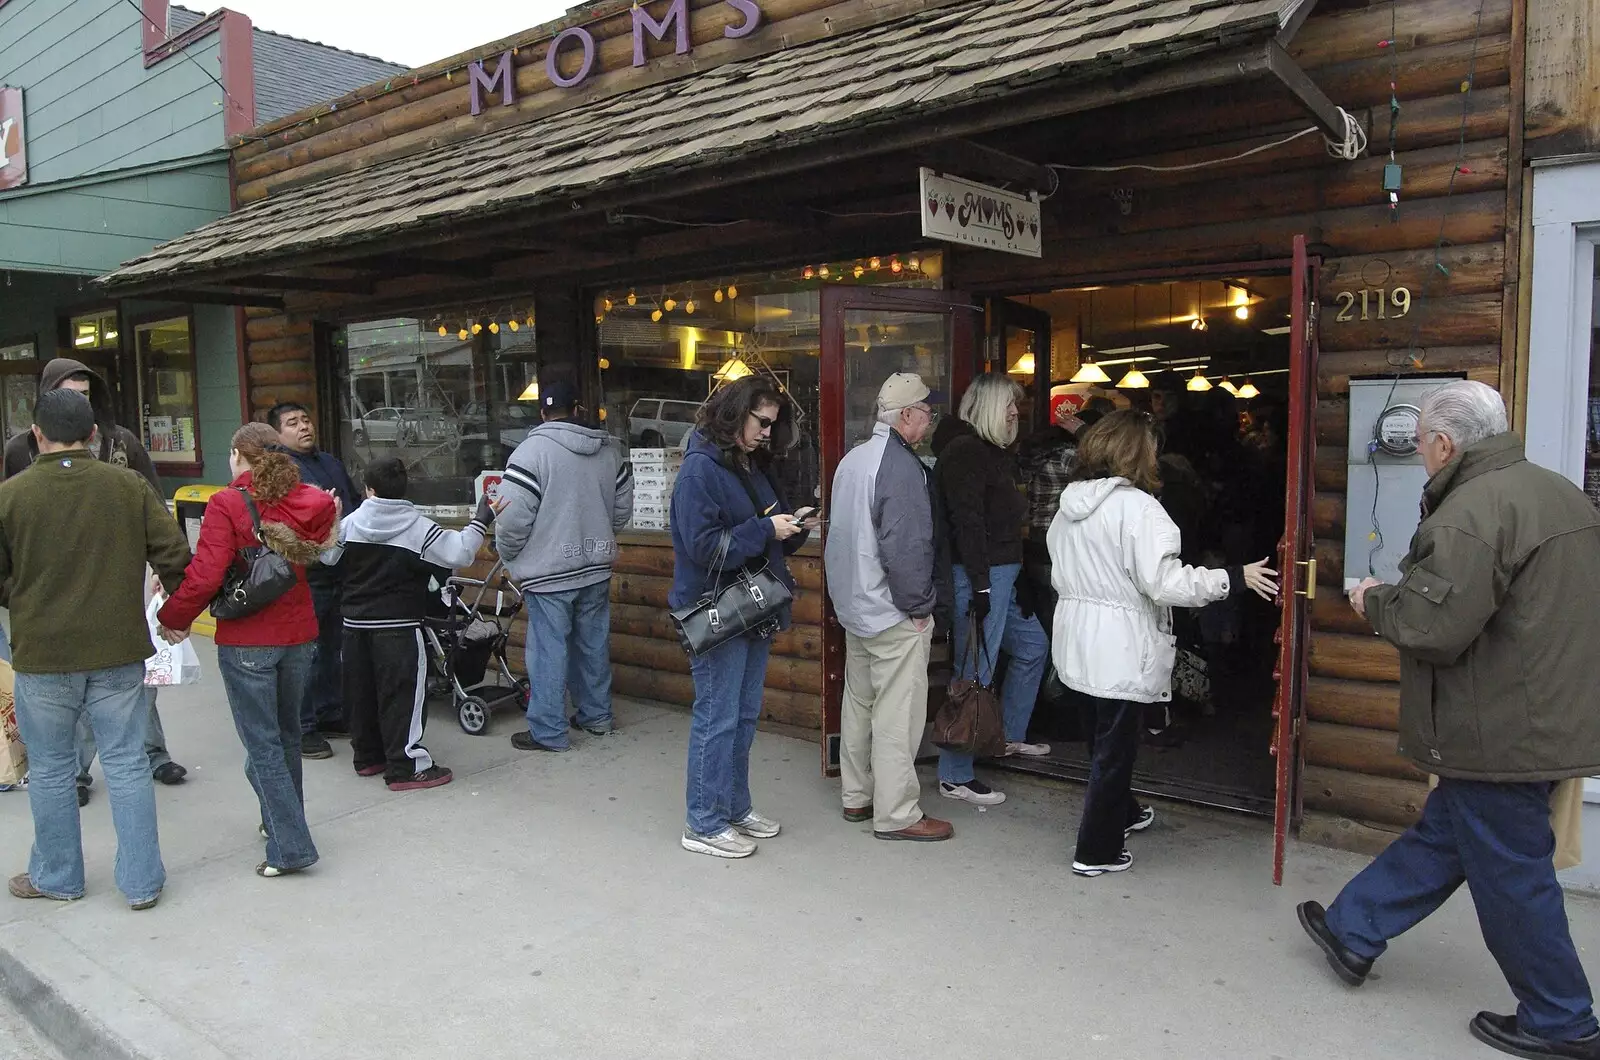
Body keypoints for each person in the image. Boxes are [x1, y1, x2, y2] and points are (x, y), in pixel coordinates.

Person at [1297, 381, 1600, 1060]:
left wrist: (1374, 598)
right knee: (1450, 836)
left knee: (1513, 874)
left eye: (1425, 450)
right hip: (1544, 715)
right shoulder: (1560, 494)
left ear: (1441, 443)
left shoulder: (1470, 513)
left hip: (1502, 727)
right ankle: (1355, 927)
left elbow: (1431, 627)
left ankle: (1562, 1019)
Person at [1047, 410, 1275, 877]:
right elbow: (1166, 584)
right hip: (1120, 643)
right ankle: (1097, 850)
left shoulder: (1071, 503)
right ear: (1138, 453)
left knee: (1100, 738)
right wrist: (1233, 577)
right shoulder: (1141, 509)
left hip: (1077, 636)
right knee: (1115, 749)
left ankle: (1124, 813)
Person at [0, 389, 191, 908]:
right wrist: (175, 618)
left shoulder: (10, 496)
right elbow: (175, 555)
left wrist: (23, 599)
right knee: (128, 762)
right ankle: (141, 883)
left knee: (53, 768)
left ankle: (58, 877)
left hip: (43, 654)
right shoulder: (127, 486)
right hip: (117, 650)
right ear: (92, 436)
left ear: (36, 434)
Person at [157, 423, 338, 878]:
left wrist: (172, 618)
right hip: (299, 633)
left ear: (239, 454)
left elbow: (206, 574)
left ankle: (289, 846)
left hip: (248, 639)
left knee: (263, 746)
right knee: (287, 738)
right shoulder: (310, 499)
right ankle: (278, 821)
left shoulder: (227, 503)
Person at [669, 375, 814, 858]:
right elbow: (705, 548)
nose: (768, 432)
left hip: (752, 606)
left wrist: (795, 527)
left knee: (743, 715)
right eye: (763, 421)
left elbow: (765, 529)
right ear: (735, 413)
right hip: (718, 609)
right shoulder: (699, 472)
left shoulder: (746, 463)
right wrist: (765, 529)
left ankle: (732, 806)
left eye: (773, 424)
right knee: (718, 717)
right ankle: (703, 822)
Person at [824, 373, 952, 843]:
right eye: (927, 413)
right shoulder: (903, 468)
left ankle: (857, 796)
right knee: (898, 713)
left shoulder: (853, 460)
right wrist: (920, 606)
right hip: (893, 610)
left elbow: (840, 537)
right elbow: (908, 548)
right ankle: (897, 813)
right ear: (908, 416)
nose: (931, 421)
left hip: (856, 606)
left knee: (859, 703)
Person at [322, 457, 495, 791]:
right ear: (405, 489)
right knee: (402, 695)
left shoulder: (350, 522)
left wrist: (331, 517)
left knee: (361, 693)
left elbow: (327, 556)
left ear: (368, 489)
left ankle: (368, 757)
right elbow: (459, 554)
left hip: (354, 625)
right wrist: (481, 519)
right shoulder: (418, 527)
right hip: (398, 626)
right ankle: (405, 765)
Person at [931, 372, 1051, 807]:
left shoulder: (991, 453)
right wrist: (981, 588)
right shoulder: (966, 452)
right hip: (979, 577)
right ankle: (955, 775)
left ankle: (1006, 737)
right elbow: (969, 525)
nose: (1015, 412)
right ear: (985, 408)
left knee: (1033, 648)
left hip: (1002, 577)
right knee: (973, 673)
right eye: (1007, 405)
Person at [496, 379, 634, 752]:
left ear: (542, 413)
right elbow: (622, 511)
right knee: (592, 644)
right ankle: (597, 716)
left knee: (548, 651)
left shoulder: (529, 453)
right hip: (596, 564)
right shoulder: (610, 451)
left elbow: (511, 520)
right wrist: (600, 535)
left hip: (549, 571)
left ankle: (548, 731)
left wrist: (511, 556)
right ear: (578, 409)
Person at [268, 402, 361, 761]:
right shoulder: (279, 470)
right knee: (306, 653)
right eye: (293, 422)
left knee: (333, 647)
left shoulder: (330, 463)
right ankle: (303, 725)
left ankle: (330, 711)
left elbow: (352, 506)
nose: (304, 426)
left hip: (340, 567)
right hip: (304, 572)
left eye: (306, 419)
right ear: (278, 434)